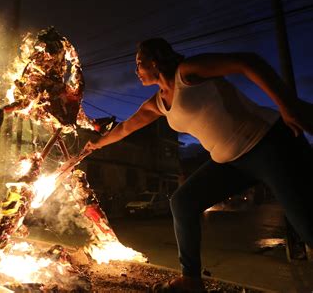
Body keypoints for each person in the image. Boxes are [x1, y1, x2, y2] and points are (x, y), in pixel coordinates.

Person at [84, 38, 313, 292]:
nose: (136, 71)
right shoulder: (158, 103)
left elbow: (247, 62)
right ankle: (191, 280)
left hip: (269, 145)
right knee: (183, 201)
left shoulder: (188, 72)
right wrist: (98, 144)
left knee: (307, 227)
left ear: (154, 62)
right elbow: (126, 127)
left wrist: (287, 106)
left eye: (139, 64)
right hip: (230, 163)